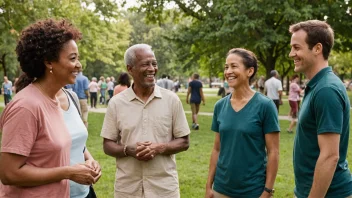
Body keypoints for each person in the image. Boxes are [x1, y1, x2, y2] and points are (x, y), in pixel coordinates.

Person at [0, 19, 99, 198]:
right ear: (48, 62)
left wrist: (88, 161)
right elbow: (9, 173)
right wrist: (68, 172)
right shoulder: (26, 106)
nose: (79, 65)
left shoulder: (53, 100)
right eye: (72, 58)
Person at [101, 44, 190, 198]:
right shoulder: (116, 103)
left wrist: (158, 148)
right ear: (130, 69)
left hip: (163, 189)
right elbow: (107, 145)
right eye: (145, 64)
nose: (151, 69)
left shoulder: (171, 100)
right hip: (128, 189)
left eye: (154, 63)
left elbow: (184, 141)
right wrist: (128, 150)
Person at [289, 20, 352, 198]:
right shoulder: (318, 86)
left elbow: (330, 156)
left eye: (296, 47)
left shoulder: (326, 90)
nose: (291, 53)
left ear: (317, 48)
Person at [205, 48, 280, 198]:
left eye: (234, 66)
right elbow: (217, 149)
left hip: (253, 191)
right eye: (226, 67)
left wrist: (267, 191)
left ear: (249, 71)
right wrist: (209, 186)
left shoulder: (265, 105)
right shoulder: (220, 106)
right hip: (221, 189)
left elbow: (273, 152)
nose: (228, 71)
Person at [56, 88, 101, 198]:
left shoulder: (72, 96)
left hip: (83, 192)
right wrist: (69, 173)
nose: (79, 69)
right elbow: (10, 174)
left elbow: (77, 142)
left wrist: (90, 159)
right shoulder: (31, 104)